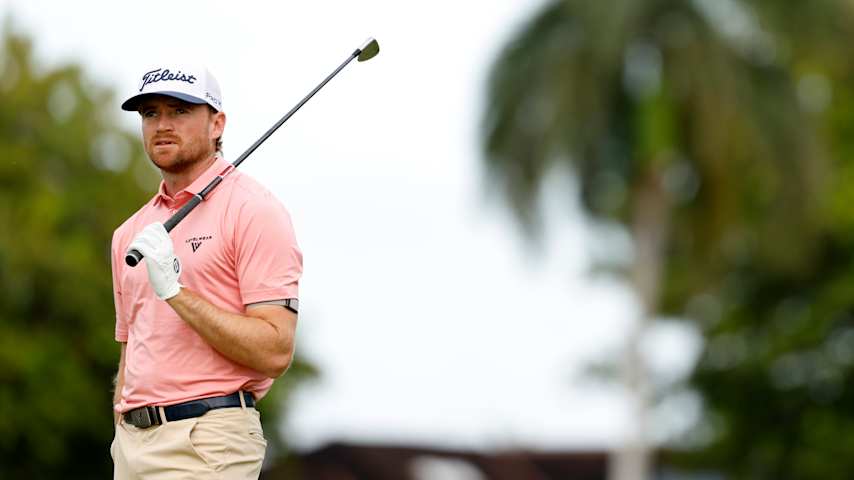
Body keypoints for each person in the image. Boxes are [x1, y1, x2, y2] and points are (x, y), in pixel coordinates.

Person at [109, 64, 302, 479]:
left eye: (179, 111)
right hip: (131, 448)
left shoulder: (254, 210)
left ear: (217, 123)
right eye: (150, 114)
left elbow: (275, 350)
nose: (162, 125)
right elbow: (131, 348)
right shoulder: (129, 233)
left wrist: (176, 292)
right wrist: (120, 430)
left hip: (208, 439)